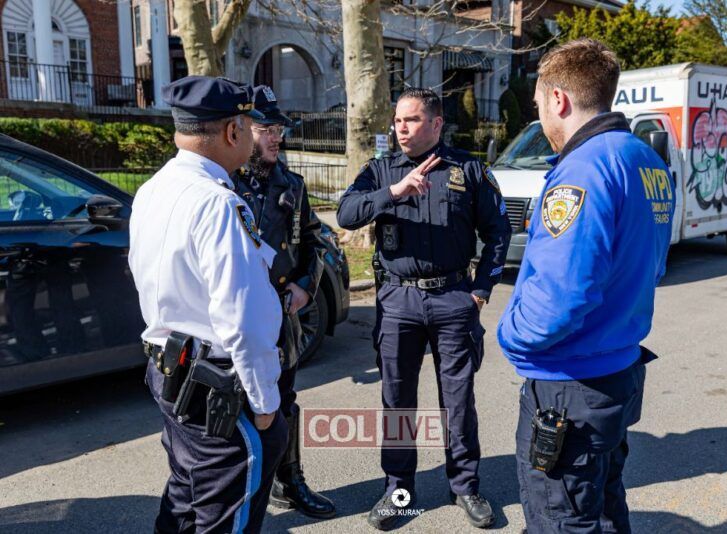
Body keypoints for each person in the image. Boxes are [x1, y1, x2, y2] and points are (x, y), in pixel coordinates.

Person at [497, 39, 674, 533]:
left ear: (558, 99)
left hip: (570, 387)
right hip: (617, 371)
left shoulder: (583, 169)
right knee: (603, 506)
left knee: (560, 519)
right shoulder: (645, 160)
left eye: (538, 103)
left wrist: (511, 337)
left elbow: (561, 297)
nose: (539, 116)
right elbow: (653, 265)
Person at [337, 88, 511, 530]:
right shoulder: (380, 171)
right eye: (398, 120)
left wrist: (482, 289)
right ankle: (399, 490)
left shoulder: (468, 169)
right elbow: (346, 213)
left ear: (436, 123)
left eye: (411, 120)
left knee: (458, 401)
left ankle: (465, 486)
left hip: (453, 299)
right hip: (399, 301)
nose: (401, 128)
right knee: (397, 400)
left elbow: (498, 231)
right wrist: (394, 192)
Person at [128, 76, 288, 533]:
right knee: (226, 510)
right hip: (214, 385)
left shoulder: (153, 188)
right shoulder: (218, 203)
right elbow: (243, 319)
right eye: (249, 126)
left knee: (185, 493)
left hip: (170, 369)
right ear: (233, 131)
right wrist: (264, 401)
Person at [232, 85, 336, 519]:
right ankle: (236, 490)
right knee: (233, 404)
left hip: (280, 316)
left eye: (279, 130)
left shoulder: (291, 185)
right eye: (267, 129)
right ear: (241, 130)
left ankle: (289, 481)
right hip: (234, 317)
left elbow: (316, 240)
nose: (276, 137)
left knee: (283, 402)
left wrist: (306, 286)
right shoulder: (222, 183)